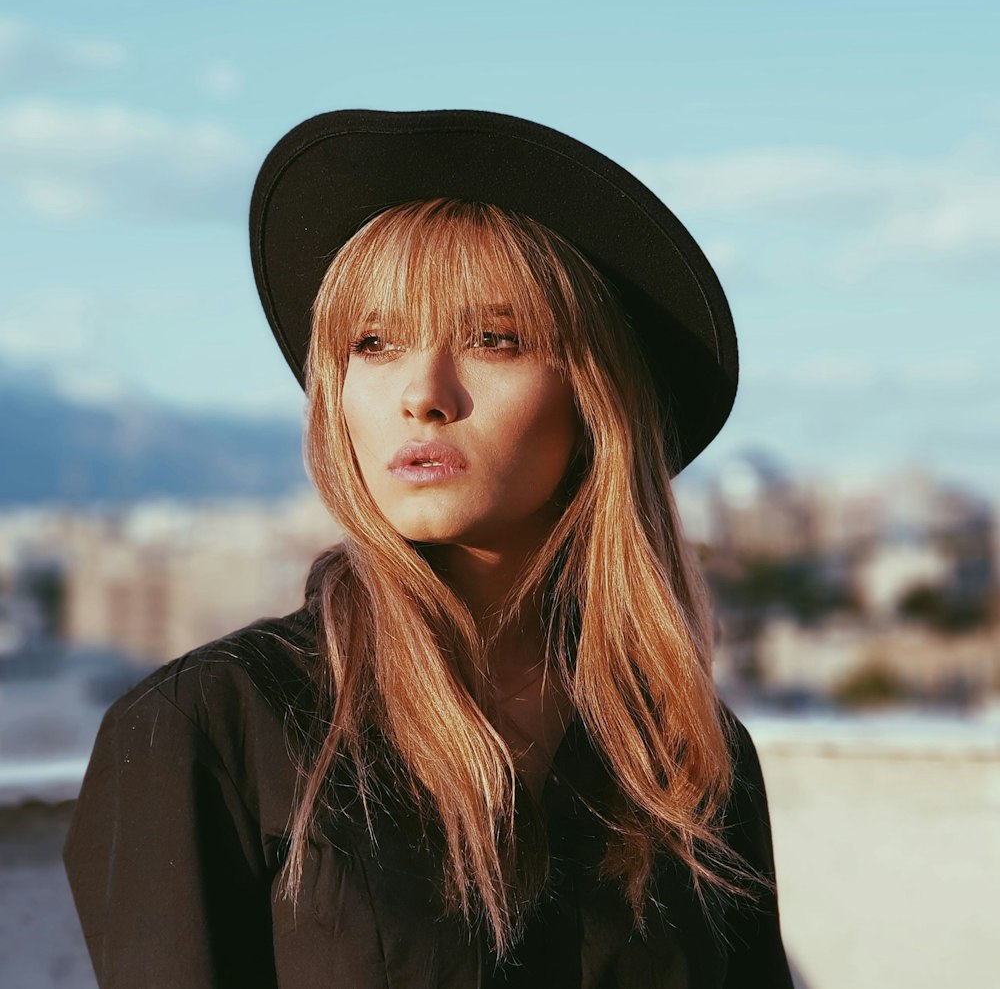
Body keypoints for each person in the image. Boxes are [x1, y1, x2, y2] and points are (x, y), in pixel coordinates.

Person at [63, 109, 795, 988]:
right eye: (373, 344)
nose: (424, 393)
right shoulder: (206, 728)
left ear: (595, 397)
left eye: (495, 339)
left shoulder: (688, 759)